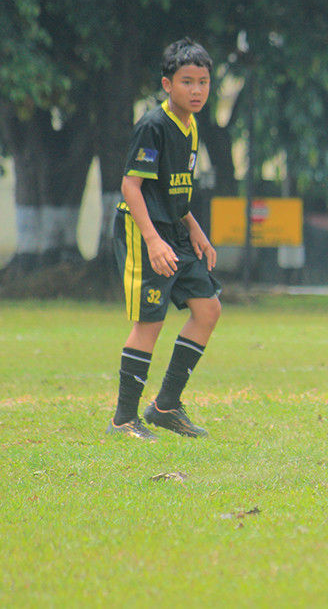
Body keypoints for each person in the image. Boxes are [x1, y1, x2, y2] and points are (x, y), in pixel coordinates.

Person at [106, 38, 221, 441]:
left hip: (174, 230)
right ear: (166, 84)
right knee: (149, 323)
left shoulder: (190, 126)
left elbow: (175, 191)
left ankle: (165, 407)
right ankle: (123, 419)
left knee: (207, 310)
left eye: (203, 82)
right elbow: (131, 186)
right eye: (187, 81)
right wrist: (154, 241)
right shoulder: (154, 125)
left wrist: (198, 234)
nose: (196, 90)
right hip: (143, 232)